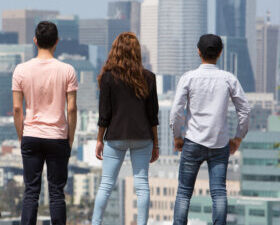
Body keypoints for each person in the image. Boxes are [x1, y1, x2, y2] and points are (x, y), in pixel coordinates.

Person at [170, 34, 251, 225]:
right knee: (219, 193)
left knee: (183, 193)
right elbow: (245, 110)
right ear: (220, 53)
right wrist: (238, 138)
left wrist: (177, 136)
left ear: (198, 52)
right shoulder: (228, 79)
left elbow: (175, 112)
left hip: (192, 141)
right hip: (219, 143)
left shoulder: (188, 78)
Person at [12, 21, 78, 225]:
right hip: (58, 136)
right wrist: (71, 137)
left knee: (31, 191)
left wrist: (21, 135)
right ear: (56, 42)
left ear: (35, 40)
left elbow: (16, 108)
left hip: (31, 134)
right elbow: (72, 108)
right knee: (57, 192)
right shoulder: (67, 70)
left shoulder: (21, 70)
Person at [91, 32, 160, 225]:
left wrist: (99, 139)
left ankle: (95, 223)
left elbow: (104, 113)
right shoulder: (149, 77)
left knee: (106, 184)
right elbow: (153, 115)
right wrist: (156, 143)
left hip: (116, 136)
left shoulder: (108, 77)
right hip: (142, 137)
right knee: (142, 185)